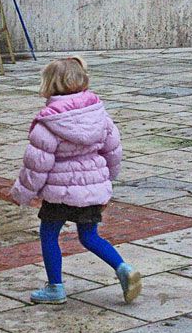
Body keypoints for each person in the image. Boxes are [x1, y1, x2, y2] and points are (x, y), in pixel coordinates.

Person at [11, 57, 141, 305]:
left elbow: (37, 165)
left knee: (49, 233)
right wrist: (106, 183)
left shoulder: (48, 123)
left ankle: (55, 287)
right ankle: (123, 267)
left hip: (59, 192)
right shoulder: (99, 115)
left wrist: (22, 194)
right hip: (92, 188)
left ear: (49, 85)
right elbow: (113, 152)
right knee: (89, 236)